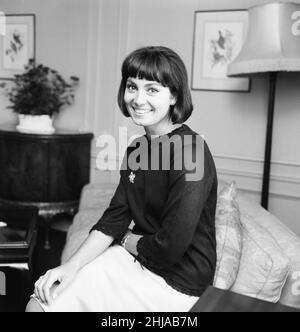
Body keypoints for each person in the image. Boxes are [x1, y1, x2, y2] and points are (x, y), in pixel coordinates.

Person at [26, 46, 218, 312]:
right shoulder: (138, 148)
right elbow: (115, 217)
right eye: (132, 86)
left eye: (152, 89)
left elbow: (170, 247)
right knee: (40, 303)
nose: (138, 99)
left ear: (173, 95)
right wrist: (69, 267)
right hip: (136, 259)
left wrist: (125, 239)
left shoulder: (192, 152)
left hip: (177, 281)